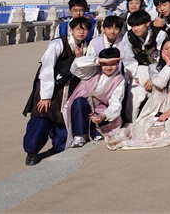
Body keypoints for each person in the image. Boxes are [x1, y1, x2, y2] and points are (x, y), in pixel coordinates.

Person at [22, 18, 90, 165]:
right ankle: (32, 152)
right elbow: (47, 68)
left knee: (62, 120)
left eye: (85, 29)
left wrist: (80, 58)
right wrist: (45, 96)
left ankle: (58, 146)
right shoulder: (58, 44)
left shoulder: (86, 47)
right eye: (78, 29)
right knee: (42, 117)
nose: (82, 32)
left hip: (69, 90)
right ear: (71, 30)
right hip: (50, 89)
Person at [108, 36, 170, 150]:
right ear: (161, 50)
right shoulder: (153, 67)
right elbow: (160, 83)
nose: (169, 51)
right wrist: (168, 65)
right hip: (155, 105)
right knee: (145, 127)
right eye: (166, 49)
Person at [66, 47, 127, 147]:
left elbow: (115, 103)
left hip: (101, 110)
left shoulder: (119, 79)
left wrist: (103, 116)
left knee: (111, 117)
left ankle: (96, 131)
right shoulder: (92, 71)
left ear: (118, 63)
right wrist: (98, 60)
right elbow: (77, 66)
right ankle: (80, 135)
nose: (108, 67)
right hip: (83, 106)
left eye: (112, 64)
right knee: (79, 102)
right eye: (105, 64)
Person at [121, 10, 168, 122]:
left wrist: (153, 79)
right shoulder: (129, 36)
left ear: (147, 23)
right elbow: (128, 58)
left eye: (138, 25)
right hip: (139, 70)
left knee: (157, 100)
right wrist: (135, 75)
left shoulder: (160, 35)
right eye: (133, 26)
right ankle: (132, 123)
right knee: (133, 98)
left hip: (158, 71)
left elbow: (163, 58)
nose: (135, 29)